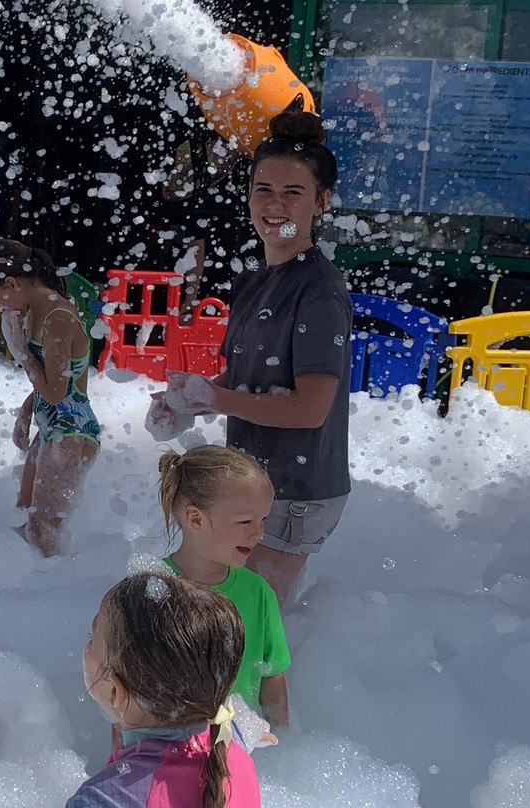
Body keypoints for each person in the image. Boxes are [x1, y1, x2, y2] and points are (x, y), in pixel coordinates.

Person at [150, 109, 351, 607]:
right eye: (264, 189)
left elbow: (310, 408)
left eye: (293, 193)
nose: (275, 205)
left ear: (322, 202)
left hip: (297, 490)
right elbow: (247, 380)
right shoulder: (256, 280)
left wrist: (216, 396)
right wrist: (188, 401)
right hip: (256, 481)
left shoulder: (319, 292)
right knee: (221, 615)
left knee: (245, 626)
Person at [71, 572, 260, 808]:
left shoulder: (101, 800)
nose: (86, 644)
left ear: (114, 691)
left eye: (92, 638)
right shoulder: (228, 735)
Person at [0, 238, 101, 557]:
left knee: (45, 529)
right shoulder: (33, 312)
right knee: (26, 518)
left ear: (12, 283)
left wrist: (20, 353)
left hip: (73, 430)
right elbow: (51, 381)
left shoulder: (57, 317)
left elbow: (59, 393)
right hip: (53, 425)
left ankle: (60, 598)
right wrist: (26, 411)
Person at [158, 445, 289, 727]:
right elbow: (127, 680)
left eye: (263, 520)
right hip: (168, 749)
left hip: (240, 744)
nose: (259, 533)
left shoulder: (258, 593)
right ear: (196, 519)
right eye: (245, 522)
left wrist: (285, 747)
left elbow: (272, 676)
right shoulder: (153, 589)